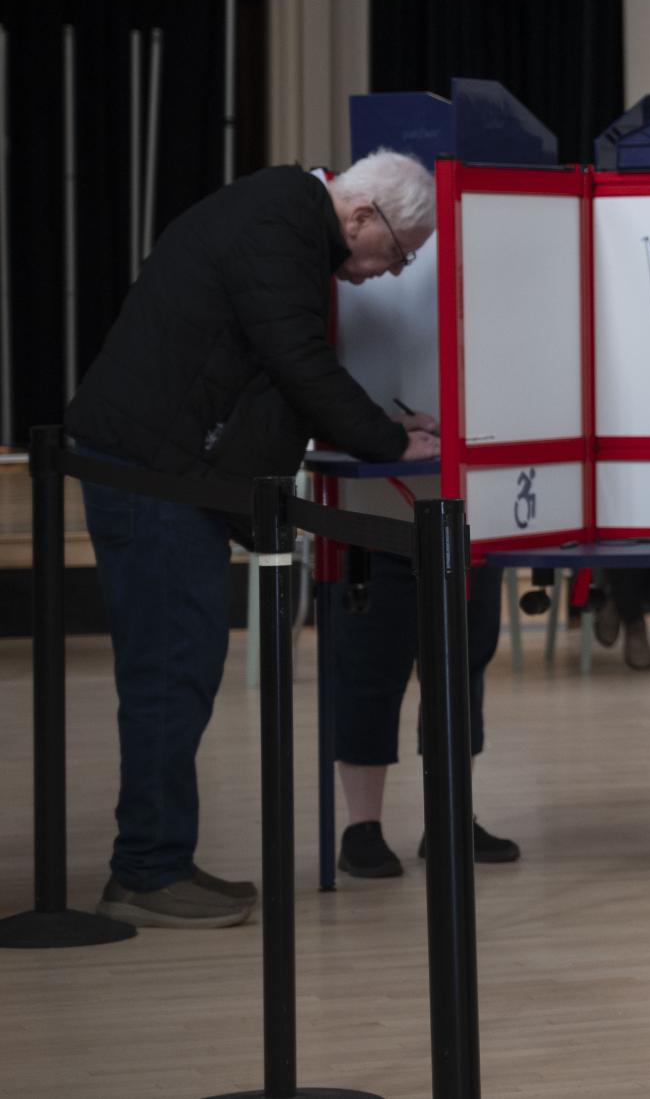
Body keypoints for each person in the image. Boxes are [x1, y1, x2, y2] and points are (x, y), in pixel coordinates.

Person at [67, 152, 441, 930]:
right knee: (173, 669)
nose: (388, 272)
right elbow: (295, 360)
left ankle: (158, 858)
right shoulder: (280, 224)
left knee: (181, 666)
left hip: (161, 467)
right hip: (155, 475)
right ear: (362, 216)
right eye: (399, 253)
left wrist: (377, 423)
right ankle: (146, 871)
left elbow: (280, 363)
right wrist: (382, 440)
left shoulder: (282, 219)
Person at [332, 558, 520, 878]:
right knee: (370, 661)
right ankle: (362, 827)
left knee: (461, 670)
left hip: (469, 529)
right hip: (372, 527)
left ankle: (451, 821)